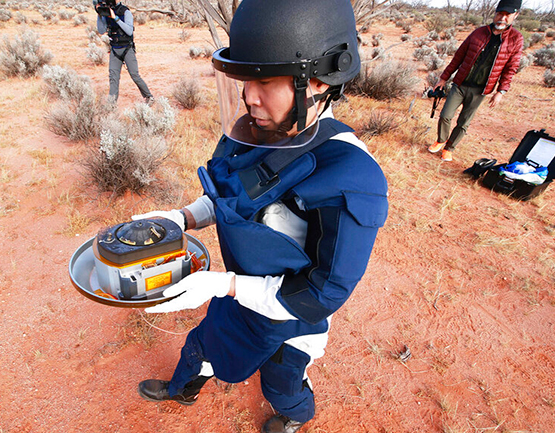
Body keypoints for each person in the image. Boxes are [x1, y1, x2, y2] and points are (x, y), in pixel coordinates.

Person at [129, 1, 388, 432]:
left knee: (282, 383)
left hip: (290, 319)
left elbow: (319, 295)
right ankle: (183, 388)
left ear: (320, 80)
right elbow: (230, 196)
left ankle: (294, 415)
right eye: (245, 80)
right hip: (241, 298)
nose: (250, 97)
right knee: (202, 345)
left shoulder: (350, 176)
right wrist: (182, 218)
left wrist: (225, 284)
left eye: (265, 80)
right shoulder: (256, 130)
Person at [428, 0, 524, 162]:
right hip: (461, 83)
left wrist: (500, 92)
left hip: (481, 89)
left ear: (516, 15)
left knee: (464, 122)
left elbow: (511, 68)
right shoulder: (479, 33)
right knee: (445, 115)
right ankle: (441, 139)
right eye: (500, 14)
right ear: (495, 14)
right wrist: (444, 78)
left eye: (508, 15)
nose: (503, 18)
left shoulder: (516, 39)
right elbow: (459, 56)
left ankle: (449, 148)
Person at [95, 0, 153, 104]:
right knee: (113, 77)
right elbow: (101, 30)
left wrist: (115, 18)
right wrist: (100, 15)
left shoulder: (125, 12)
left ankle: (149, 97)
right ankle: (111, 104)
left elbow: (129, 31)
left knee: (135, 75)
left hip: (127, 48)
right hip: (115, 49)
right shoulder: (108, 11)